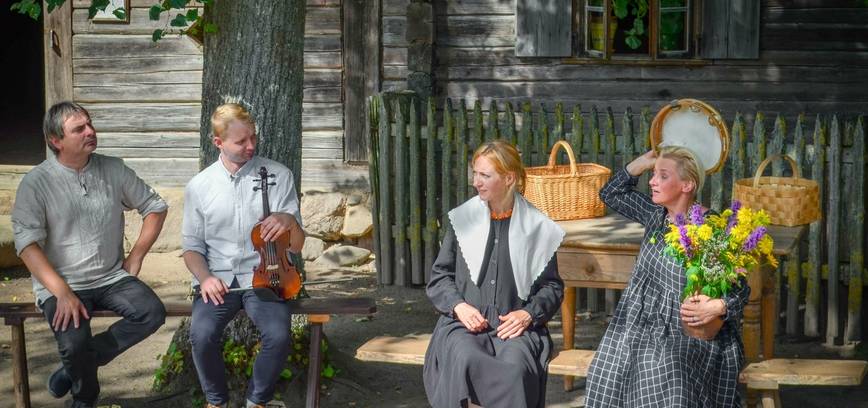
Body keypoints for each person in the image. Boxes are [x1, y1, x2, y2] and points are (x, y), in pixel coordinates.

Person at [11, 101, 168, 408]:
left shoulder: (113, 168)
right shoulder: (36, 183)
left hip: (110, 277)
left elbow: (155, 207)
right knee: (73, 344)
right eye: (79, 129)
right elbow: (27, 246)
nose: (90, 132)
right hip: (61, 283)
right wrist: (62, 292)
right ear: (56, 141)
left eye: (90, 124)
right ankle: (84, 397)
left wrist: (136, 256)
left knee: (151, 312)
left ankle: (74, 372)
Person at [585, 146, 750, 407]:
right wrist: (641, 163)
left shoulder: (710, 228)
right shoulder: (655, 215)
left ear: (687, 185)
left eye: (663, 176)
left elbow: (740, 286)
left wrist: (718, 306)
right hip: (638, 324)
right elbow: (610, 193)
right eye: (653, 174)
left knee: (672, 382)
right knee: (605, 373)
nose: (652, 181)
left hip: (688, 330)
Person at [423, 139, 565, 408]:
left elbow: (552, 287)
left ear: (509, 178)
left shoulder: (536, 226)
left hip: (515, 329)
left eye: (485, 175)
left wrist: (528, 314)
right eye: (475, 173)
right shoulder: (463, 220)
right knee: (464, 357)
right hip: (464, 325)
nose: (476, 182)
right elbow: (440, 276)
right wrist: (458, 306)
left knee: (515, 369)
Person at [182, 103, 305, 408]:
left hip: (268, 276)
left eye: (253, 138)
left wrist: (289, 221)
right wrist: (206, 278)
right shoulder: (199, 186)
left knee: (277, 334)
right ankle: (216, 402)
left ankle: (257, 402)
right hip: (219, 279)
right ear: (218, 142)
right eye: (241, 141)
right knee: (201, 334)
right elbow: (192, 248)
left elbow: (298, 246)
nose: (251, 146)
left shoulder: (278, 174)